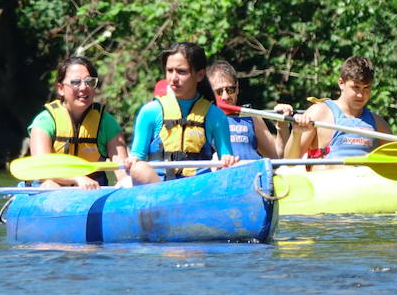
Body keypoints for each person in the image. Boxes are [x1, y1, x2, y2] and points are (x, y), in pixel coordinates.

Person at [126, 42, 238, 184]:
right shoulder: (150, 112)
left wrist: (227, 159)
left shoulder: (215, 116)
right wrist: (132, 161)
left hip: (198, 187)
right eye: (169, 70)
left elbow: (226, 158)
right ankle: (166, 202)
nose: (173, 78)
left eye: (181, 71)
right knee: (138, 168)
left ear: (200, 75)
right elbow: (137, 157)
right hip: (158, 187)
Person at [284, 55, 397, 161]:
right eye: (356, 87)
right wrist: (296, 134)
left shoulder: (378, 123)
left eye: (366, 88)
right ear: (341, 83)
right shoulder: (319, 113)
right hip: (328, 187)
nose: (361, 95)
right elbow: (289, 162)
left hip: (364, 188)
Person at [26, 55, 130, 188]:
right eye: (75, 82)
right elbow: (43, 169)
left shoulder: (106, 122)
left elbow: (122, 170)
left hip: (93, 190)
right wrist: (77, 178)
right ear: (61, 88)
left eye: (90, 82)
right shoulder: (44, 122)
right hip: (53, 187)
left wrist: (125, 181)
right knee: (50, 184)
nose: (83, 88)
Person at [208, 60, 293, 159]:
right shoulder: (203, 118)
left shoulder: (251, 116)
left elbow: (277, 156)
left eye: (230, 90)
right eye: (219, 91)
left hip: (254, 172)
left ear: (237, 88)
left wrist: (282, 123)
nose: (225, 96)